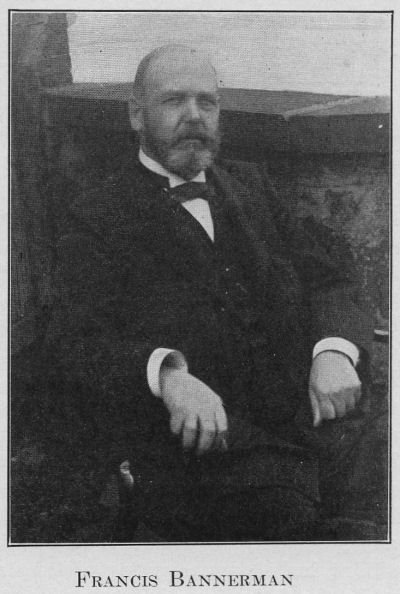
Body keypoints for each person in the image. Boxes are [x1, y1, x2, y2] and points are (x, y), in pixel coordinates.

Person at [40, 44, 384, 541]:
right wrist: (168, 374)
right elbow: (74, 344)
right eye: (173, 101)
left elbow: (329, 278)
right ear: (136, 115)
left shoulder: (251, 186)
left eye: (207, 101)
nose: (194, 116)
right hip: (207, 444)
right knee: (293, 522)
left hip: (308, 411)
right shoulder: (98, 214)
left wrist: (333, 352)